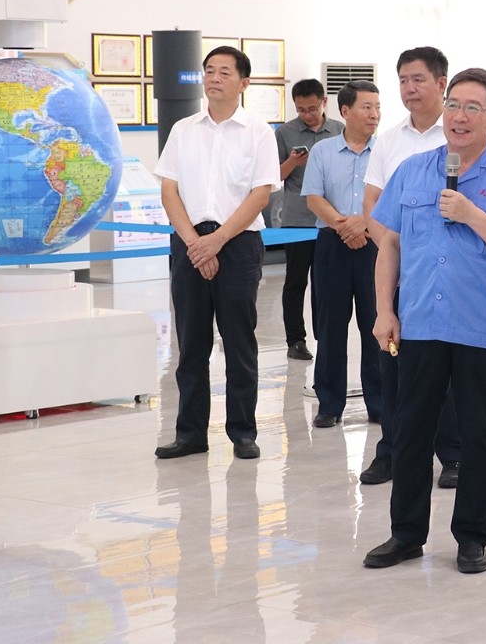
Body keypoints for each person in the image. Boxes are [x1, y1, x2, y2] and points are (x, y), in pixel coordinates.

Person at [362, 68, 486, 574]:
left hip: (478, 325)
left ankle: (472, 537)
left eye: (472, 108)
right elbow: (389, 244)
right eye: (453, 106)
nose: (459, 117)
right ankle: (406, 534)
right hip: (419, 321)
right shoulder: (413, 170)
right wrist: (384, 310)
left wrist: (471, 214)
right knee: (410, 429)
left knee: (476, 434)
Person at [153, 46, 281, 461]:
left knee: (239, 343)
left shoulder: (258, 132)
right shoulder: (184, 130)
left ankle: (243, 432)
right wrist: (196, 242)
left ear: (244, 82)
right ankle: (190, 433)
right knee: (191, 344)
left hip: (237, 243)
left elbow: (260, 195)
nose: (214, 78)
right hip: (189, 242)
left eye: (225, 72)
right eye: (209, 70)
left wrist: (217, 240)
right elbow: (169, 190)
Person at [358, 47, 462, 488]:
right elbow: (372, 204)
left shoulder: (459, 133)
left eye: (418, 79)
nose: (409, 88)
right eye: (403, 80)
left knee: (448, 367)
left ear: (441, 83)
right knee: (394, 363)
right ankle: (392, 450)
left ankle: (453, 453)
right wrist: (398, 254)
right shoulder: (389, 140)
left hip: (450, 274)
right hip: (401, 273)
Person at [302, 80, 381, 429]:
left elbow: (391, 196)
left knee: (376, 323)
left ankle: (380, 402)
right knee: (330, 325)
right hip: (332, 244)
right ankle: (329, 404)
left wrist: (363, 223)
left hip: (375, 242)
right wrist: (344, 226)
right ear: (345, 111)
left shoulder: (386, 151)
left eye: (378, 107)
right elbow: (313, 197)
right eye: (367, 107)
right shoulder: (323, 151)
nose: (374, 114)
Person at [275, 80, 343, 362]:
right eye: (301, 110)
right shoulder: (284, 132)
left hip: (331, 219)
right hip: (298, 221)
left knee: (326, 283)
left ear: (324, 102)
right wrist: (293, 162)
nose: (307, 115)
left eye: (312, 109)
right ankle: (295, 340)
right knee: (295, 282)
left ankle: (324, 337)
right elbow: (274, 176)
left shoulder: (340, 130)